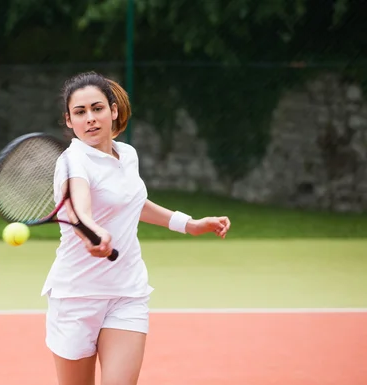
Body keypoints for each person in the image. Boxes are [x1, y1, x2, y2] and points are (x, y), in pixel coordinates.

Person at [41, 71, 231, 385]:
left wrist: (189, 225)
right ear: (68, 121)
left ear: (113, 111)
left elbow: (131, 203)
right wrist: (93, 232)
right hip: (76, 298)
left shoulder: (127, 154)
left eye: (97, 108)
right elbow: (78, 212)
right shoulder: (73, 162)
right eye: (80, 112)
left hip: (126, 293)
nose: (90, 118)